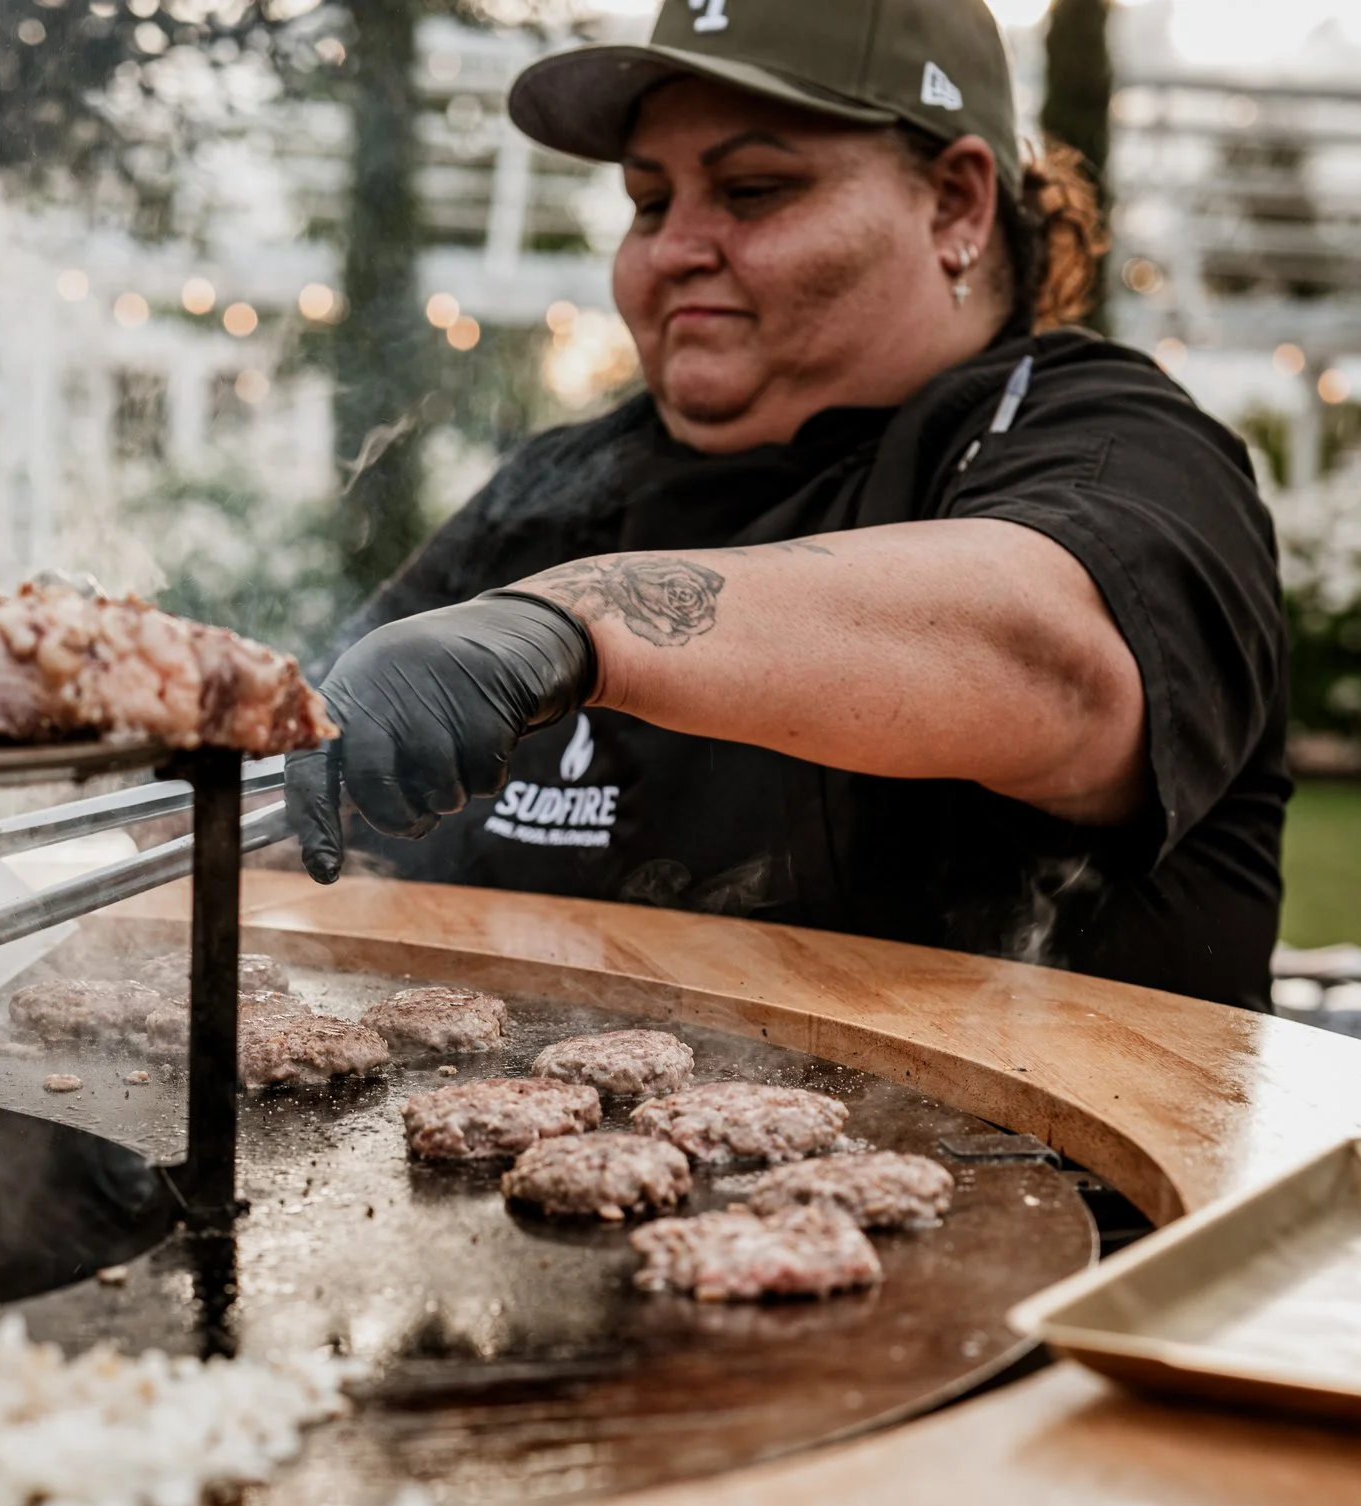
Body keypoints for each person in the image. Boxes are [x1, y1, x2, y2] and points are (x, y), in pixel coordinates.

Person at [285, 0, 1288, 1011]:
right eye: (648, 202)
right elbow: (309, 782)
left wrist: (571, 625)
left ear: (955, 205)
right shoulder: (561, 486)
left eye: (753, 190)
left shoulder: (1112, 437)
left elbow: (1057, 660)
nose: (673, 249)